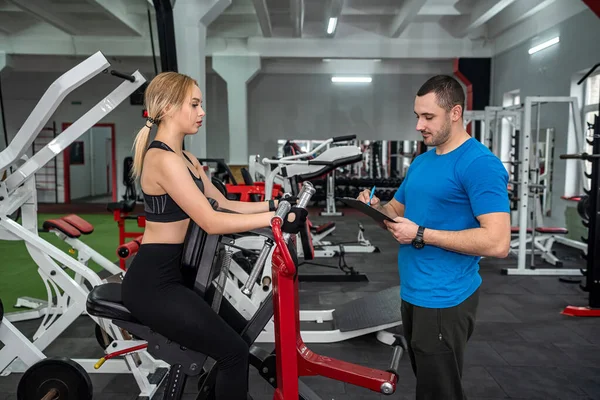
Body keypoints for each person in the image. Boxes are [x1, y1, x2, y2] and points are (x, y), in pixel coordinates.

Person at [120, 71, 307, 400]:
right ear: (166, 108)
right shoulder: (161, 159)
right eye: (194, 104)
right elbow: (210, 220)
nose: (202, 112)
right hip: (153, 285)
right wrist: (277, 220)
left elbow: (222, 204)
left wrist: (276, 204)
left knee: (239, 337)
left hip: (177, 276)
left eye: (200, 104)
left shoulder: (187, 159)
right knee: (233, 352)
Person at [357, 75, 511, 400]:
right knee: (431, 387)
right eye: (417, 116)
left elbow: (498, 243)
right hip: (413, 293)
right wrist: (374, 207)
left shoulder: (480, 164)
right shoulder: (422, 162)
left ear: (455, 113)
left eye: (428, 117)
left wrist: (422, 234)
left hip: (445, 299)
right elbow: (396, 213)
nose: (418, 126)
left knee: (439, 393)